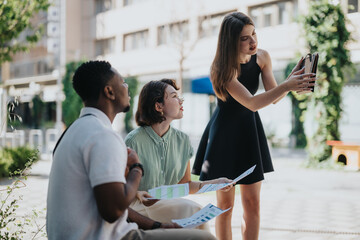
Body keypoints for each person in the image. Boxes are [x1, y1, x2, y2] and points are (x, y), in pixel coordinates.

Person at [46, 60, 216, 240]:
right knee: (205, 239)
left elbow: (112, 203)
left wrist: (158, 225)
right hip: (105, 236)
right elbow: (114, 210)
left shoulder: (74, 131)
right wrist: (136, 168)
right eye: (122, 83)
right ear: (109, 91)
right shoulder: (102, 136)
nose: (127, 88)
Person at [191, 12, 316, 240]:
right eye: (244, 38)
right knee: (225, 205)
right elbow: (252, 102)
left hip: (249, 132)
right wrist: (287, 85)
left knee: (253, 203)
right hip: (224, 135)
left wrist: (292, 80)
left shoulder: (262, 57)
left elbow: (274, 96)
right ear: (230, 41)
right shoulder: (220, 68)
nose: (253, 41)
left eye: (254, 33)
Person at [125, 79, 232, 231]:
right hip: (140, 209)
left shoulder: (182, 140)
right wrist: (136, 193)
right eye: (174, 96)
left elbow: (185, 185)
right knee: (190, 209)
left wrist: (217, 183)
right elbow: (121, 185)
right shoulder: (133, 141)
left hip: (170, 205)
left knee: (192, 212)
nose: (181, 100)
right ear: (158, 106)